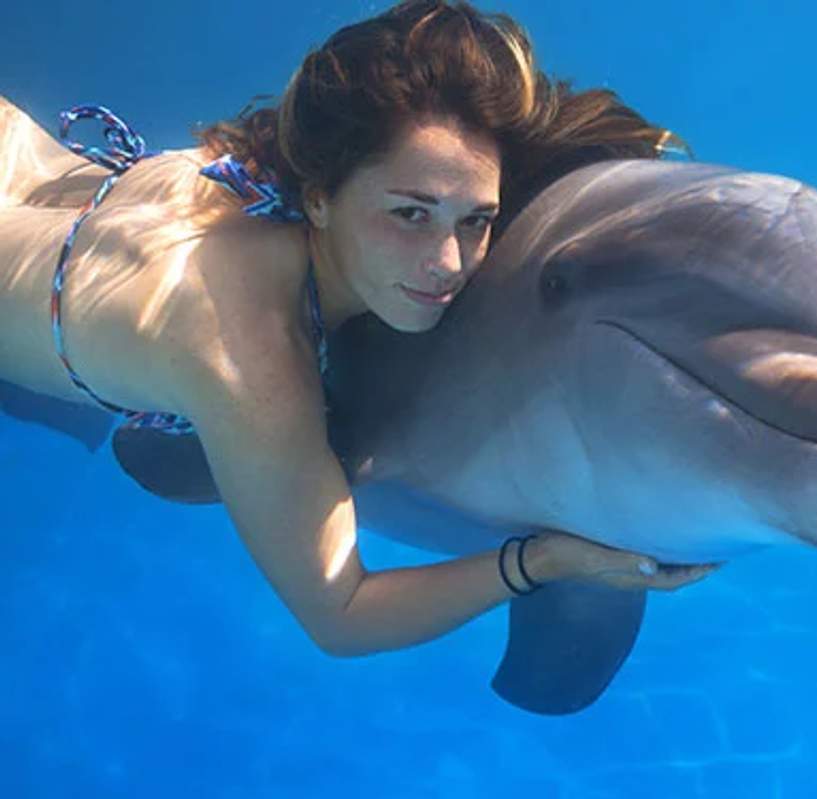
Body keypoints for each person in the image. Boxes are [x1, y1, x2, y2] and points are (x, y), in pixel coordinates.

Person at [0, 0, 716, 657]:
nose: (448, 264)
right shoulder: (244, 357)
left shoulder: (291, 153)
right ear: (318, 198)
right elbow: (342, 612)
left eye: (477, 220)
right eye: (410, 214)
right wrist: (541, 561)